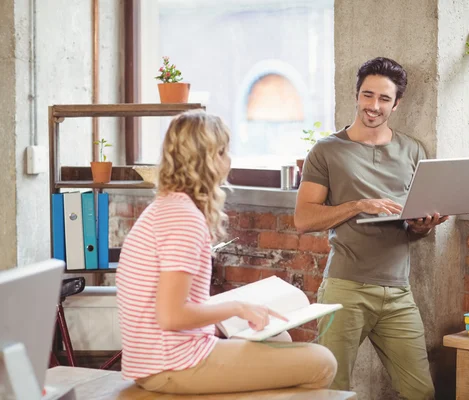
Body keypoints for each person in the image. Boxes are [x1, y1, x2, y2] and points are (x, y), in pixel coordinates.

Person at [116, 110, 337, 395]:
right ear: (205, 160)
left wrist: (230, 318)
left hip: (162, 357)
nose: (228, 160)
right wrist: (237, 308)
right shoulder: (183, 218)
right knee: (322, 362)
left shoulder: (167, 207)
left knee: (279, 336)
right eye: (223, 152)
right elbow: (171, 316)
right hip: (172, 363)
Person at [294, 57, 448, 399]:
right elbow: (303, 219)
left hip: (397, 292)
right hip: (345, 289)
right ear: (357, 95)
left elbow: (411, 227)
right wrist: (358, 205)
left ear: (396, 104)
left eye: (383, 99)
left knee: (420, 391)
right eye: (367, 95)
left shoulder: (412, 150)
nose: (373, 106)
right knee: (331, 390)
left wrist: (423, 225)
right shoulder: (327, 151)